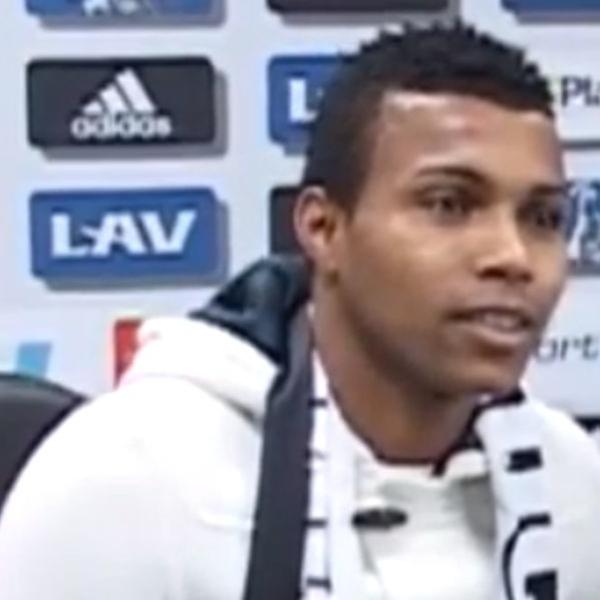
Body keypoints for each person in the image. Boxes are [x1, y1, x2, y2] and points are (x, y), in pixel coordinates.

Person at [1, 22, 599, 600]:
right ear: (323, 228)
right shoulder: (130, 480)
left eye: (543, 218)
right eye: (448, 204)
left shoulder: (573, 485)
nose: (512, 256)